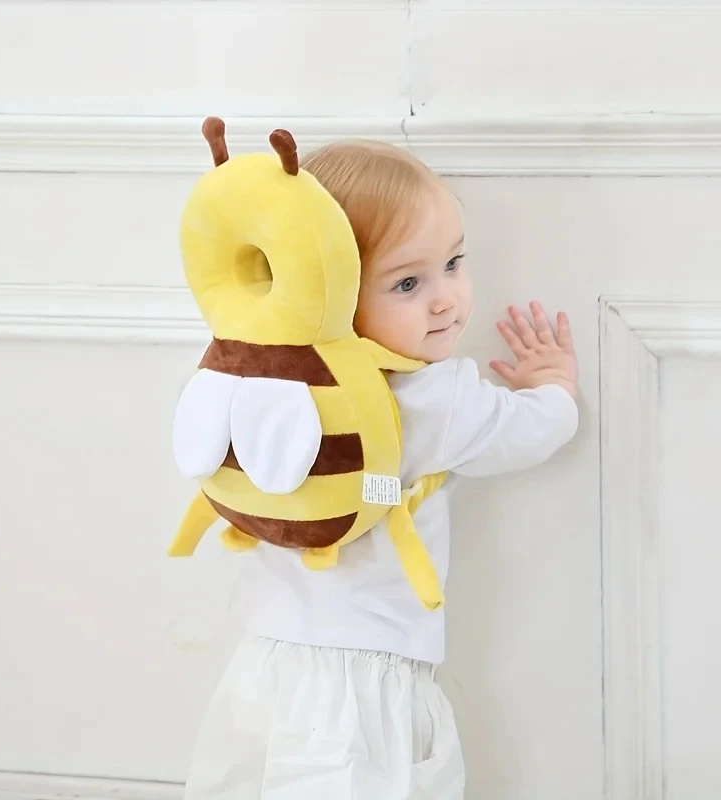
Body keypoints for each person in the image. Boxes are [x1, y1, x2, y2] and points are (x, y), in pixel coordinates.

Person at [183, 139, 580, 799]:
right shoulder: (432, 399)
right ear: (330, 288)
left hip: (265, 661)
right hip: (370, 678)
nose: (447, 299)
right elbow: (531, 432)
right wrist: (554, 386)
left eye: (453, 263)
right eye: (407, 282)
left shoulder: (260, 386)